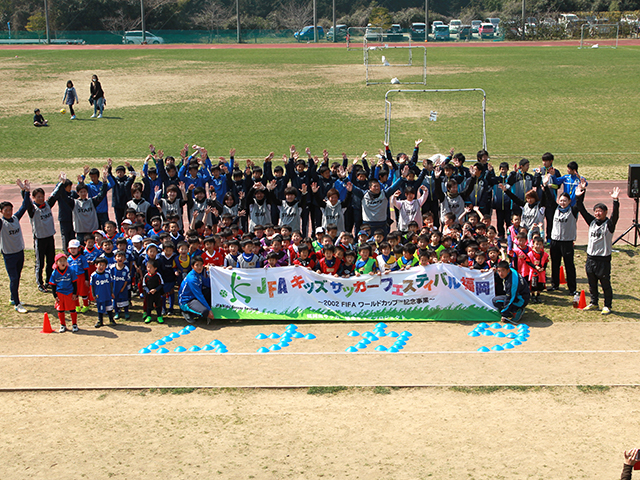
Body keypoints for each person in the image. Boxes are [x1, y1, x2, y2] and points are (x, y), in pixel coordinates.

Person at [576, 182, 620, 315]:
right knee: (592, 283)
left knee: (605, 284)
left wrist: (615, 201)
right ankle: (594, 303)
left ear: (605, 212)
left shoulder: (609, 225)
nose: (598, 213)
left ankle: (607, 305)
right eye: (596, 211)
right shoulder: (592, 222)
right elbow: (582, 210)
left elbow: (615, 216)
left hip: (603, 259)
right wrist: (579, 196)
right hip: (591, 258)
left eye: (600, 211)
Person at [0, 180, 31, 313]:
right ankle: (17, 304)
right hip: (9, 255)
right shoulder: (2, 223)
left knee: (17, 277)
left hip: (19, 252)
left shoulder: (16, 218)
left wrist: (26, 191)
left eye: (10, 210)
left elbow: (25, 206)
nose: (8, 212)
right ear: (1, 212)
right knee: (13, 278)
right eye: (6, 210)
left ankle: (13, 298)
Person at [25, 185, 57, 293]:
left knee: (51, 261)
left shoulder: (47, 205)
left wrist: (60, 183)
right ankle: (40, 283)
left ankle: (49, 281)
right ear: (34, 198)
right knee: (40, 263)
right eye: (38, 197)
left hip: (50, 237)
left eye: (42, 196)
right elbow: (26, 202)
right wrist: (25, 191)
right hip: (39, 239)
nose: (40, 198)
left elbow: (54, 195)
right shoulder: (32, 209)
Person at [178, 256, 214, 324]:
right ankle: (187, 313)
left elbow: (208, 284)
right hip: (186, 301)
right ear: (192, 266)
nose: (199, 267)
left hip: (194, 298)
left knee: (209, 291)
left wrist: (208, 272)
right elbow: (199, 295)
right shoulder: (192, 278)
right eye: (197, 265)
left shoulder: (199, 274)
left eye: (201, 265)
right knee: (205, 311)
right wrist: (209, 310)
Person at [492, 260, 530, 324]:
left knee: (496, 301)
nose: (500, 273)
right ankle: (515, 309)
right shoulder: (511, 271)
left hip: (521, 300)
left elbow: (509, 299)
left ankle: (516, 311)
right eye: (499, 271)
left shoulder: (512, 283)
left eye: (503, 270)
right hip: (522, 295)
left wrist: (504, 314)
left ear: (508, 270)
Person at [49, 253, 78, 332]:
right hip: (60, 293)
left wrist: (75, 293)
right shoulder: (55, 272)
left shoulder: (71, 270)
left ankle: (74, 324)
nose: (63, 263)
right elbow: (53, 285)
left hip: (69, 293)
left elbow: (75, 283)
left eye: (64, 260)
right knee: (60, 310)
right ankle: (62, 325)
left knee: (72, 309)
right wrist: (55, 296)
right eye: (60, 261)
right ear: (56, 263)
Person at [91, 257, 115, 328]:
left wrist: (112, 292)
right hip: (99, 295)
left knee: (109, 308)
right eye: (100, 265)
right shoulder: (94, 275)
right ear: (96, 265)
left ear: (106, 266)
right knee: (100, 309)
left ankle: (111, 320)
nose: (101, 267)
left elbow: (111, 284)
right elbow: (92, 286)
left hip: (107, 295)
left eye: (103, 265)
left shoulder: (108, 274)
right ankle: (100, 321)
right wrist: (93, 295)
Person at [143, 259, 164, 324]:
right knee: (149, 305)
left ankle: (159, 316)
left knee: (158, 305)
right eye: (147, 267)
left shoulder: (158, 275)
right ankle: (149, 316)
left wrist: (156, 289)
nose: (149, 269)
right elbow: (144, 285)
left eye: (150, 267)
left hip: (157, 293)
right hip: (149, 294)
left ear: (155, 268)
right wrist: (148, 291)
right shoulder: (146, 276)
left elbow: (161, 284)